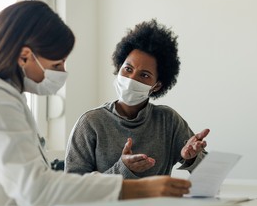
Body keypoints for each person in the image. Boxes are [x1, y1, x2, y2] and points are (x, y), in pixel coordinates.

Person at [0, 1, 191, 206]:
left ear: (157, 85)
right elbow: (34, 188)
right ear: (24, 57)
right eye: (57, 63)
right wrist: (140, 189)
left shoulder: (6, 97)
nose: (62, 72)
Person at [65, 19, 210, 179]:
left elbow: (209, 174)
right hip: (107, 205)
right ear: (119, 67)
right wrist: (123, 169)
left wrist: (193, 158)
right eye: (128, 69)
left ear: (157, 85)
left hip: (159, 204)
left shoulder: (168, 121)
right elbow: (73, 187)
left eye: (144, 75)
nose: (131, 79)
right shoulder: (91, 123)